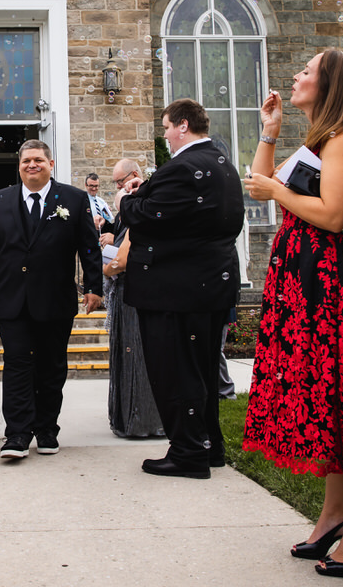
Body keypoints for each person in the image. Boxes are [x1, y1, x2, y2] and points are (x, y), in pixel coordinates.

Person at [242, 49, 343, 577]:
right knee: (329, 397)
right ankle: (335, 514)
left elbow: (335, 216)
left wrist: (277, 191)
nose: (296, 75)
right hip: (309, 282)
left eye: (307, 71)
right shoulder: (320, 139)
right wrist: (270, 132)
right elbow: (260, 185)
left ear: (332, 84)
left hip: (339, 287)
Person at [119, 99, 243, 480]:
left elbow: (148, 218)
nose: (166, 135)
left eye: (167, 127)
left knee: (175, 371)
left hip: (176, 290)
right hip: (208, 285)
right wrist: (149, 191)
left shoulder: (184, 167)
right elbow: (186, 215)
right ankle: (210, 446)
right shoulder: (222, 163)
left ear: (183, 125)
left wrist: (128, 199)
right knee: (202, 368)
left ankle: (188, 451)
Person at [0, 140, 102, 458]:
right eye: (26, 161)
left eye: (38, 160)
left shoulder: (74, 199)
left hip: (55, 298)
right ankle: (17, 435)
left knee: (51, 366)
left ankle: (47, 430)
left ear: (51, 163)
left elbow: (89, 245)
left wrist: (94, 286)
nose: (32, 165)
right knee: (17, 364)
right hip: (12, 299)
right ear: (19, 166)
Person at [101, 229, 164, 438]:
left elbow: (121, 261)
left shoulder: (137, 222)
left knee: (134, 356)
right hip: (144, 292)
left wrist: (105, 269)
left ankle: (138, 420)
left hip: (131, 295)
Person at [84, 172, 115, 239]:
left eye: (96, 186)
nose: (94, 188)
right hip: (87, 235)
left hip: (100, 236)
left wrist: (108, 214)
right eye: (91, 186)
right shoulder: (82, 201)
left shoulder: (101, 202)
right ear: (86, 185)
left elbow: (108, 221)